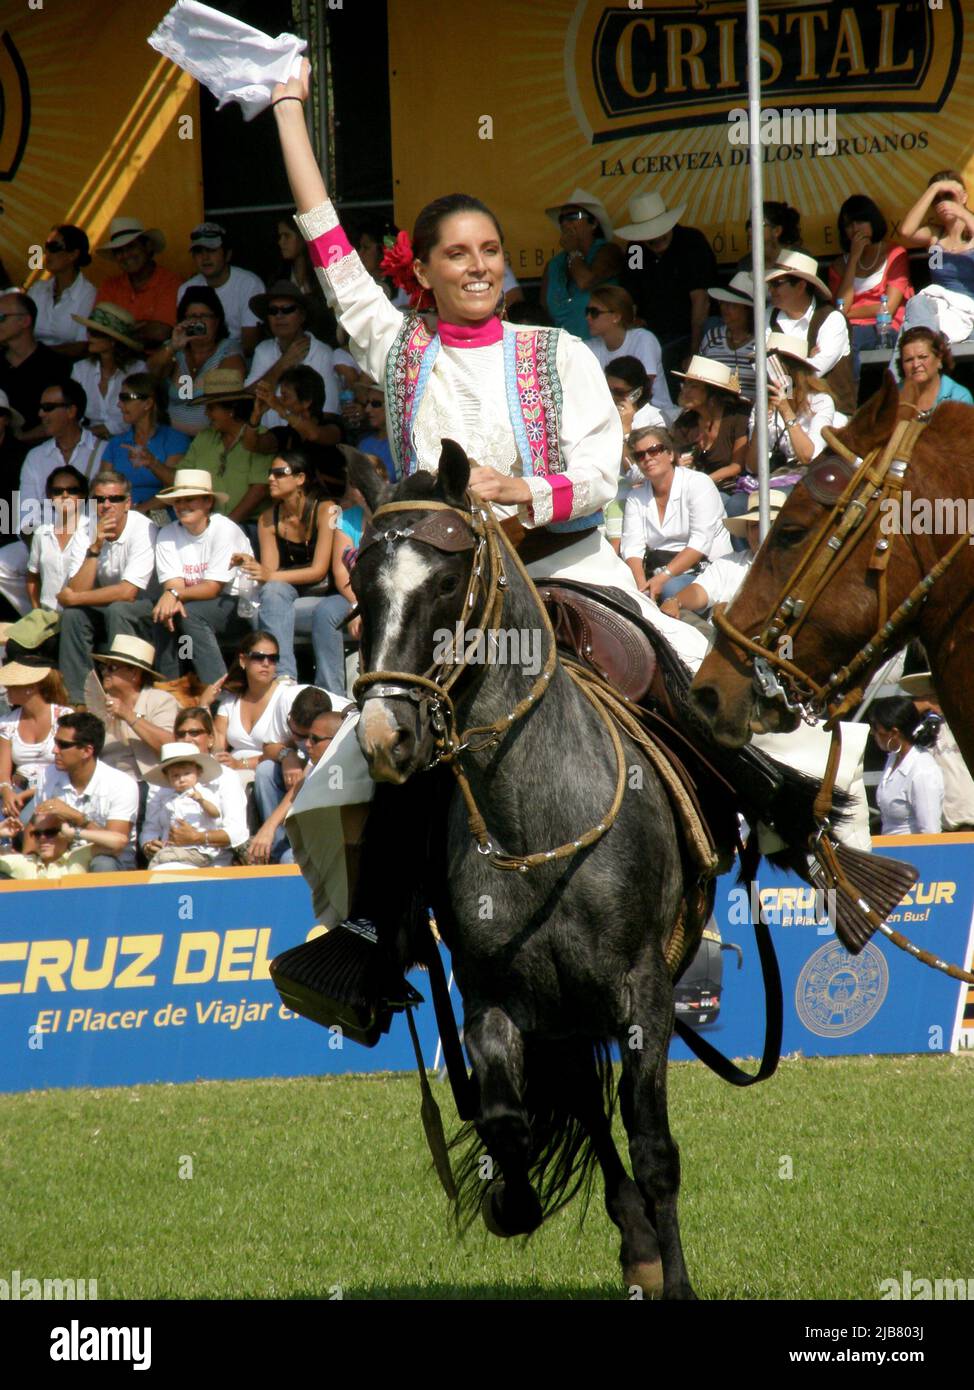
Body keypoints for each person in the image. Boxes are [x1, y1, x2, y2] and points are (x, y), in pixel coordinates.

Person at [267, 58, 711, 1018]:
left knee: (690, 679)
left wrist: (531, 489)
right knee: (377, 755)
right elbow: (325, 240)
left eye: (490, 251)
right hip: (453, 609)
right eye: (456, 254)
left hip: (570, 569)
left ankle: (744, 868)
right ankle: (373, 942)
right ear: (421, 272)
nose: (477, 266)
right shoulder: (398, 348)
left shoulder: (558, 353)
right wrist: (289, 108)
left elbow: (602, 469)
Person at [118, 469, 252, 686]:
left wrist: (173, 594)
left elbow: (212, 588)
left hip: (237, 605)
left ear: (208, 502)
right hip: (190, 601)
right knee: (161, 612)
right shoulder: (168, 533)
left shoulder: (224, 529)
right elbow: (174, 582)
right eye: (177, 501)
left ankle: (217, 691)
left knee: (189, 614)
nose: (182, 506)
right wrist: (172, 596)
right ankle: (170, 687)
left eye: (190, 500)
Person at [57, 471, 160, 703]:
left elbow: (128, 592)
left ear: (128, 503)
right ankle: (80, 700)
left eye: (114, 499)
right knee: (74, 615)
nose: (106, 505)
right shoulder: (86, 531)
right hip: (108, 605)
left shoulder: (144, 528)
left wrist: (73, 599)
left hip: (150, 609)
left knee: (118, 608)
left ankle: (123, 693)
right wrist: (95, 547)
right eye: (99, 499)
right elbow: (77, 589)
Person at [0, 382, 99, 615]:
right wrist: (42, 548)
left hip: (89, 537)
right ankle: (40, 618)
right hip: (42, 538)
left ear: (72, 411)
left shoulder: (102, 449)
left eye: (48, 408)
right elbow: (26, 517)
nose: (40, 414)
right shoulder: (35, 456)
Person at [246, 449, 344, 685]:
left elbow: (319, 570)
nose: (271, 478)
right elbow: (271, 575)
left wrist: (271, 574)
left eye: (279, 473)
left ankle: (330, 691)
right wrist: (254, 568)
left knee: (318, 609)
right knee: (272, 590)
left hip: (329, 592)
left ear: (300, 479)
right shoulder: (267, 518)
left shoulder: (327, 509)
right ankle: (284, 677)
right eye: (270, 473)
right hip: (293, 593)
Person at [621, 424, 732, 603]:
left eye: (654, 450)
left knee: (670, 589)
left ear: (671, 454)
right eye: (640, 455)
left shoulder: (698, 483)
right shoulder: (636, 497)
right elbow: (632, 546)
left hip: (706, 569)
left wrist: (662, 578)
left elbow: (700, 542)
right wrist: (641, 588)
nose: (647, 458)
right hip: (658, 569)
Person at [616, 191, 718, 374]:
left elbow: (700, 299)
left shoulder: (691, 242)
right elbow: (629, 294)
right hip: (654, 332)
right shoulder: (636, 248)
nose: (657, 238)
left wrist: (694, 350)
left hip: (692, 329)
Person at [248, 688, 343, 865]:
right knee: (266, 769)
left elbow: (303, 784)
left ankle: (284, 850)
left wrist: (268, 827)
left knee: (289, 859)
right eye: (293, 730)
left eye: (308, 737)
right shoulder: (286, 699)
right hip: (302, 777)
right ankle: (272, 849)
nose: (302, 742)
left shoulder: (340, 725)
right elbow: (268, 747)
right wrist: (287, 755)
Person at [34, 711, 139, 871]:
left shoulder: (121, 784)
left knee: (103, 863)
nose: (54, 750)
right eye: (55, 742)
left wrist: (77, 818)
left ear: (86, 751)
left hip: (109, 859)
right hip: (62, 855)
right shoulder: (48, 776)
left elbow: (115, 845)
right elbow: (36, 828)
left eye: (63, 745)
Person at [660, 490, 788, 620]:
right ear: (747, 533)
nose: (763, 532)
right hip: (718, 635)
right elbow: (700, 591)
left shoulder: (799, 568)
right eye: (755, 526)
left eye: (771, 523)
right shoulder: (729, 563)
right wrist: (676, 601)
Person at [828, 195, 912, 377]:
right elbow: (840, 306)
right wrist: (853, 258)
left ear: (873, 221)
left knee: (852, 339)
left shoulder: (895, 254)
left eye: (861, 221)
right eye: (849, 225)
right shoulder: (838, 265)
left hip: (884, 329)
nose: (855, 229)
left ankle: (850, 399)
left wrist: (848, 313)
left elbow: (887, 308)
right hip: (848, 330)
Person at [148, 287, 247, 436]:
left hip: (213, 439)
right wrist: (173, 347)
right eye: (192, 316)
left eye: (205, 316)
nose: (199, 322)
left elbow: (229, 386)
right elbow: (151, 375)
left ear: (217, 321)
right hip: (172, 437)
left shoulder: (228, 348)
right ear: (183, 321)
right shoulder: (174, 348)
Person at [766, 250, 855, 415]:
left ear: (801, 286)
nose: (771, 289)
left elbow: (817, 368)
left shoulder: (833, 318)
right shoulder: (767, 316)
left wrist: (783, 366)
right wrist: (807, 357)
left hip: (832, 416)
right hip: (779, 412)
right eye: (770, 284)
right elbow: (761, 365)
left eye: (777, 283)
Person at [0, 615, 72, 817]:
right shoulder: (7, 723)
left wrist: (30, 793)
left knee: (29, 819)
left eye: (13, 685)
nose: (7, 689)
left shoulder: (64, 717)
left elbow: (67, 767)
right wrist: (7, 792)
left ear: (30, 688)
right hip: (18, 789)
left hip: (55, 789)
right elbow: (3, 772)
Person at [179, 370, 271, 525]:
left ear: (231, 410)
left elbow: (259, 490)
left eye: (211, 408)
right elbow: (182, 478)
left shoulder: (261, 437)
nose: (206, 414)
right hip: (205, 525)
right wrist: (152, 463)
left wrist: (225, 528)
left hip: (248, 526)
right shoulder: (204, 437)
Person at [212, 630, 305, 782]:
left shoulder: (286, 697)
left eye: (272, 658)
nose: (266, 663)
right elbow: (217, 744)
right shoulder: (230, 701)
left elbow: (290, 747)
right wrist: (204, 705)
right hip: (232, 774)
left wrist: (240, 764)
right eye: (258, 657)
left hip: (273, 772)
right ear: (243, 660)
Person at [84, 635, 180, 780]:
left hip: (149, 784)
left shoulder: (160, 700)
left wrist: (128, 715)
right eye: (104, 667)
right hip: (108, 785)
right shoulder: (100, 705)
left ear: (134, 673)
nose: (104, 672)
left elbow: (170, 747)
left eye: (112, 668)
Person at [244, 282, 339, 427]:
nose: (279, 316)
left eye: (288, 309)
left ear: (302, 316)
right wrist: (283, 364)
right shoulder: (263, 350)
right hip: (265, 441)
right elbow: (246, 400)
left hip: (304, 443)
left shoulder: (322, 353)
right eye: (273, 311)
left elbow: (328, 414)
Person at [899, 170, 974, 344]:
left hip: (969, 312)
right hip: (940, 312)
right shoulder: (935, 235)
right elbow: (906, 231)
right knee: (916, 306)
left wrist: (961, 212)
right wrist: (934, 188)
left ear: (963, 197)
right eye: (937, 199)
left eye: (948, 196)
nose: (943, 203)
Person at [164, 705, 251, 855]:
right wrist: (149, 844)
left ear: (210, 739)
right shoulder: (161, 780)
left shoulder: (226, 776)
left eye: (194, 733)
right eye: (181, 734)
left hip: (212, 860)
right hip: (167, 854)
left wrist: (197, 838)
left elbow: (238, 833)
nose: (187, 739)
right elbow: (150, 829)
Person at [540, 187, 623, 339]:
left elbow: (585, 282)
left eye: (572, 217)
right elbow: (544, 312)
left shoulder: (609, 251)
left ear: (593, 223)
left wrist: (573, 252)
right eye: (561, 219)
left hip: (603, 350)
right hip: (565, 353)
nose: (565, 223)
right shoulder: (554, 265)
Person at [98, 373, 190, 508]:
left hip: (161, 520)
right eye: (120, 398)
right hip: (120, 517)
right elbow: (102, 488)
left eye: (126, 398)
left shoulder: (175, 439)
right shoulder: (116, 443)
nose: (119, 404)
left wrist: (152, 463)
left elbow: (177, 487)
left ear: (148, 403)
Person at [583, 286, 674, 419]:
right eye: (587, 311)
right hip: (613, 418)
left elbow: (642, 391)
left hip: (654, 417)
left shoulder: (643, 339)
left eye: (594, 312)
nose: (588, 317)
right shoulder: (590, 347)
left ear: (616, 316)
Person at [898, 673, 974, 831]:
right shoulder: (924, 727)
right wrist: (924, 703)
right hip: (942, 825)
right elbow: (891, 722)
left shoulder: (967, 718)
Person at [178, 222, 265, 357]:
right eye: (199, 251)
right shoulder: (186, 289)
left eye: (212, 250)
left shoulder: (249, 284)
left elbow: (249, 345)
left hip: (239, 358)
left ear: (228, 254)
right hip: (198, 357)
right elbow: (186, 339)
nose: (205, 257)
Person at [141, 741, 232, 869]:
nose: (181, 779)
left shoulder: (203, 793)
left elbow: (215, 813)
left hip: (199, 849)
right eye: (175, 776)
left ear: (198, 772)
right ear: (168, 778)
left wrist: (201, 801)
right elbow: (158, 825)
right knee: (156, 862)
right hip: (173, 848)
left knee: (163, 859)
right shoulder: (168, 799)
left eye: (186, 773)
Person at [93, 217, 182, 349]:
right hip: (115, 361)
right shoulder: (109, 285)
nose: (125, 255)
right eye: (119, 251)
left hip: (155, 362)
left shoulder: (170, 282)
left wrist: (117, 329)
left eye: (130, 247)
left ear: (148, 246)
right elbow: (97, 331)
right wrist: (144, 326)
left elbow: (162, 332)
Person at [671, 357, 750, 501]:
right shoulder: (685, 423)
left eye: (693, 386)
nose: (685, 391)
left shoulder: (737, 417)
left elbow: (736, 466)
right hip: (694, 491)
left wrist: (703, 482)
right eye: (686, 384)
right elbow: (677, 459)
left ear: (713, 393)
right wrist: (678, 464)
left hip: (732, 489)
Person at [0, 291, 72, 443]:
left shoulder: (55, 365)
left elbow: (62, 416)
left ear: (25, 321)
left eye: (1, 317)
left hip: (38, 449)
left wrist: (24, 437)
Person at [868, 696, 944, 835]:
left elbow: (930, 831)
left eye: (876, 728)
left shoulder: (923, 771)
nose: (872, 733)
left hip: (909, 854)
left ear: (894, 733)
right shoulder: (893, 757)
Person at [69, 304, 146, 440]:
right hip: (87, 442)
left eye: (95, 333)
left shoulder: (138, 370)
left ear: (112, 341)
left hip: (129, 440)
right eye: (89, 330)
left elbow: (138, 413)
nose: (89, 336)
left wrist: (91, 432)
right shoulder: (80, 369)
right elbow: (73, 412)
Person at [26, 464, 90, 612]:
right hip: (46, 618)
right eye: (57, 491)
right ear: (50, 496)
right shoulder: (41, 533)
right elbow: (32, 576)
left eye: (72, 490)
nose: (65, 495)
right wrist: (36, 609)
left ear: (82, 495)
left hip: (80, 617)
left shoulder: (92, 532)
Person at [28, 225, 97, 357]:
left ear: (73, 254)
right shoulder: (38, 289)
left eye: (54, 247)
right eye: (46, 247)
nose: (47, 253)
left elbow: (82, 346)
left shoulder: (88, 294)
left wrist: (37, 354)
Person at [249, 363, 342, 452]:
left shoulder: (333, 426)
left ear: (306, 402)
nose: (280, 400)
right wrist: (256, 415)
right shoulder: (286, 434)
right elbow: (252, 445)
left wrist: (280, 409)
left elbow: (314, 435)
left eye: (285, 396)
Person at [273, 214, 336, 343]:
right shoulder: (278, 279)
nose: (281, 242)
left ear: (303, 237)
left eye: (287, 236)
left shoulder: (324, 278)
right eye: (280, 237)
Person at [700, 272, 757, 400]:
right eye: (723, 303)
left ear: (748, 310)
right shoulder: (712, 337)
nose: (725, 308)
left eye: (732, 305)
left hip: (752, 414)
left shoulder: (763, 341)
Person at [896, 327, 973, 413]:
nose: (915, 364)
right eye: (909, 360)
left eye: (922, 357)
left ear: (939, 359)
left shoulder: (959, 398)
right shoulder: (893, 397)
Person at [0, 810, 92, 880]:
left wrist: (74, 832)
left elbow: (106, 842)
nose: (42, 838)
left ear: (66, 834)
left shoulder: (77, 857)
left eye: (50, 832)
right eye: (37, 833)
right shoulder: (26, 862)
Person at [737, 200, 803, 273]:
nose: (749, 229)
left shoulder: (801, 260)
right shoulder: (746, 265)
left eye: (757, 223)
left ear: (777, 230)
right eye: (749, 224)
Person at [353, 381, 396, 481]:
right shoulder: (364, 444)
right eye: (367, 403)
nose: (367, 409)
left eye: (375, 403)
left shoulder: (404, 446)